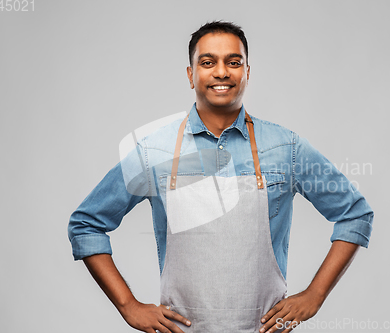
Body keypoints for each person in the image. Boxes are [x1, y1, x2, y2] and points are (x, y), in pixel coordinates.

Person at [68, 21, 374, 333]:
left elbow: (354, 214)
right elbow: (86, 224)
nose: (221, 72)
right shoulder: (154, 151)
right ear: (191, 75)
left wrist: (315, 294)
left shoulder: (286, 148)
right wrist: (128, 305)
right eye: (207, 62)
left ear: (247, 72)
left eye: (233, 62)